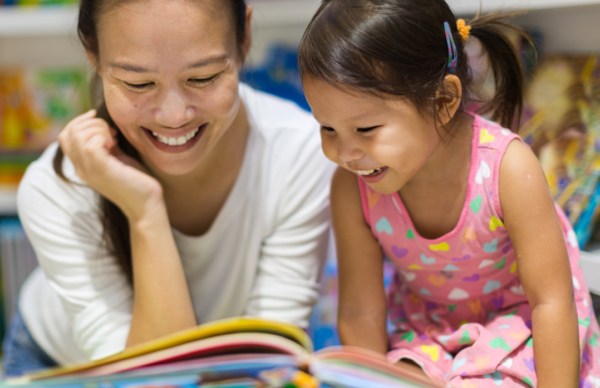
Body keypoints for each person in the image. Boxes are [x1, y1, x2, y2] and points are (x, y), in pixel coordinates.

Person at [2, 0, 334, 377]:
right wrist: (144, 212)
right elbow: (154, 383)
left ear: (244, 37)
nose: (175, 116)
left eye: (203, 77)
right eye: (138, 83)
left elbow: (269, 358)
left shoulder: (300, 153)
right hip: (61, 363)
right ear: (92, 53)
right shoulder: (56, 188)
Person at [298, 0, 600, 387]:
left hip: (521, 326)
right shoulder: (351, 187)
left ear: (443, 101)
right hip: (428, 334)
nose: (345, 153)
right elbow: (362, 313)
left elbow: (551, 303)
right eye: (327, 129)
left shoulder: (508, 168)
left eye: (367, 128)